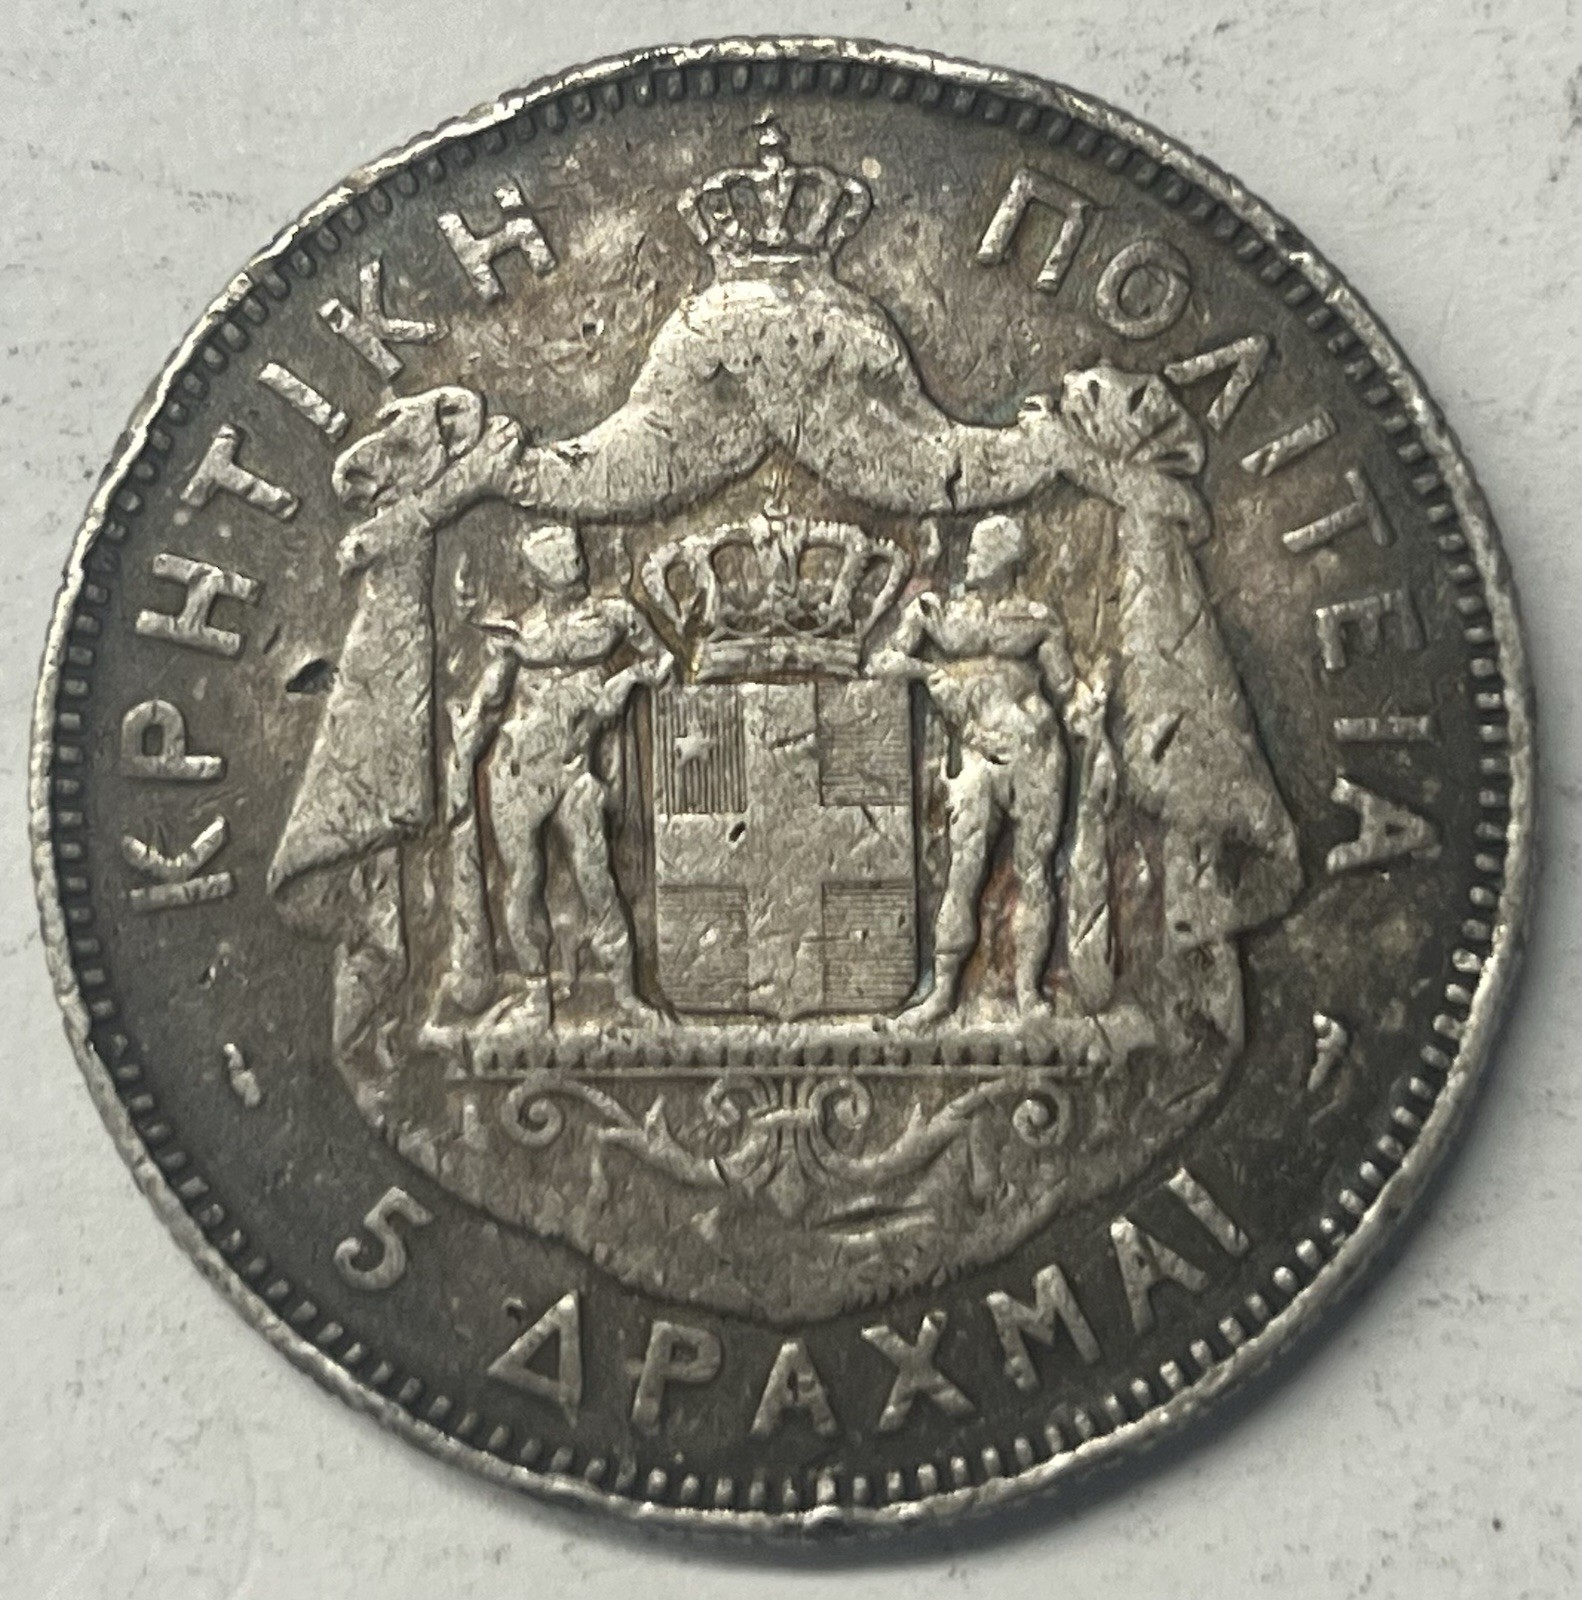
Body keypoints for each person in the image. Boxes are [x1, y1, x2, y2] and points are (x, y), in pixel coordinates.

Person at [443, 523, 671, 1020]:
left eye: (575, 565)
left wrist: (628, 678)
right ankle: (536, 994)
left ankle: (626, 995)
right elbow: (488, 704)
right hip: (518, 774)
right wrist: (462, 758)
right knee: (523, 882)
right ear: (537, 579)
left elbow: (663, 662)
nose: (574, 575)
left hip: (575, 771)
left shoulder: (613, 620)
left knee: (596, 878)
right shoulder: (519, 637)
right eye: (562, 571)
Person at [869, 514, 1080, 1022]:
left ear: (1005, 558)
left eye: (980, 550)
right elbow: (882, 663)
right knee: (963, 872)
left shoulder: (1036, 620)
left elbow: (1066, 688)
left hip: (1035, 751)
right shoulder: (939, 614)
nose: (968, 558)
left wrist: (1089, 713)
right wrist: (928, 672)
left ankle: (1028, 992)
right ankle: (943, 992)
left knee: (1036, 872)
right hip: (978, 754)